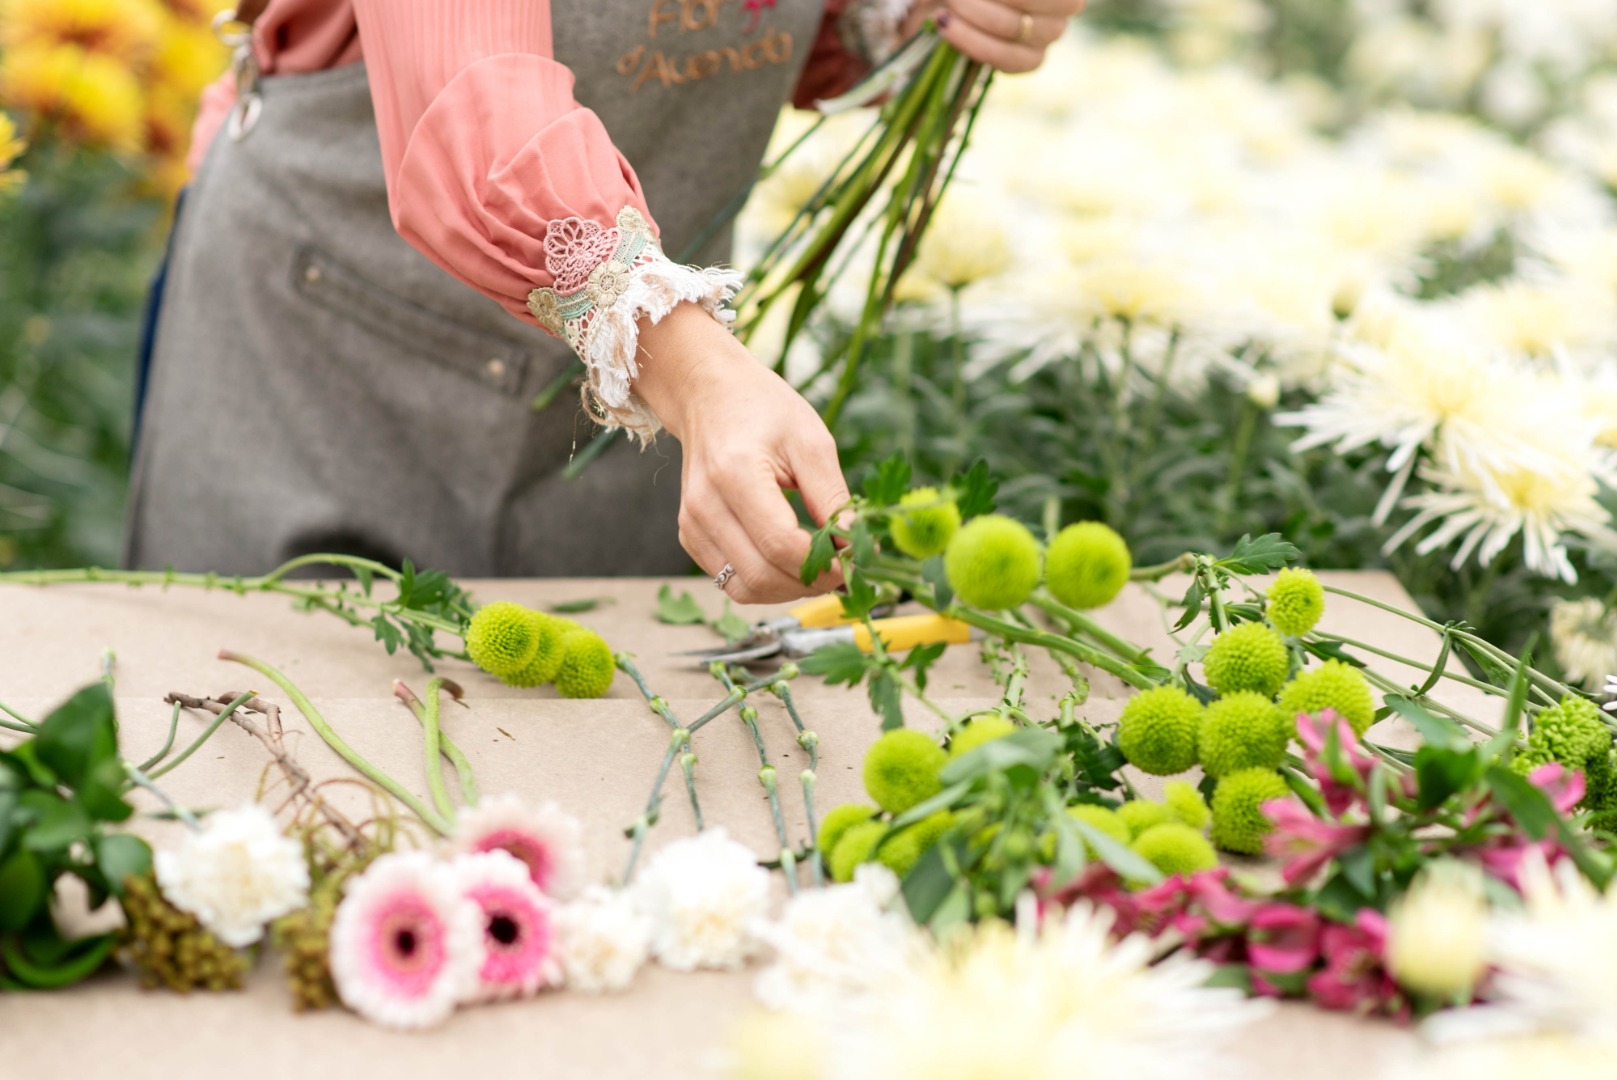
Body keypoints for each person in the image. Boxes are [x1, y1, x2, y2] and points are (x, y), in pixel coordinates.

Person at [125, 0, 1082, 603]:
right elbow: (476, 109)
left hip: (633, 398)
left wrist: (911, 16)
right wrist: (690, 366)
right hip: (335, 350)